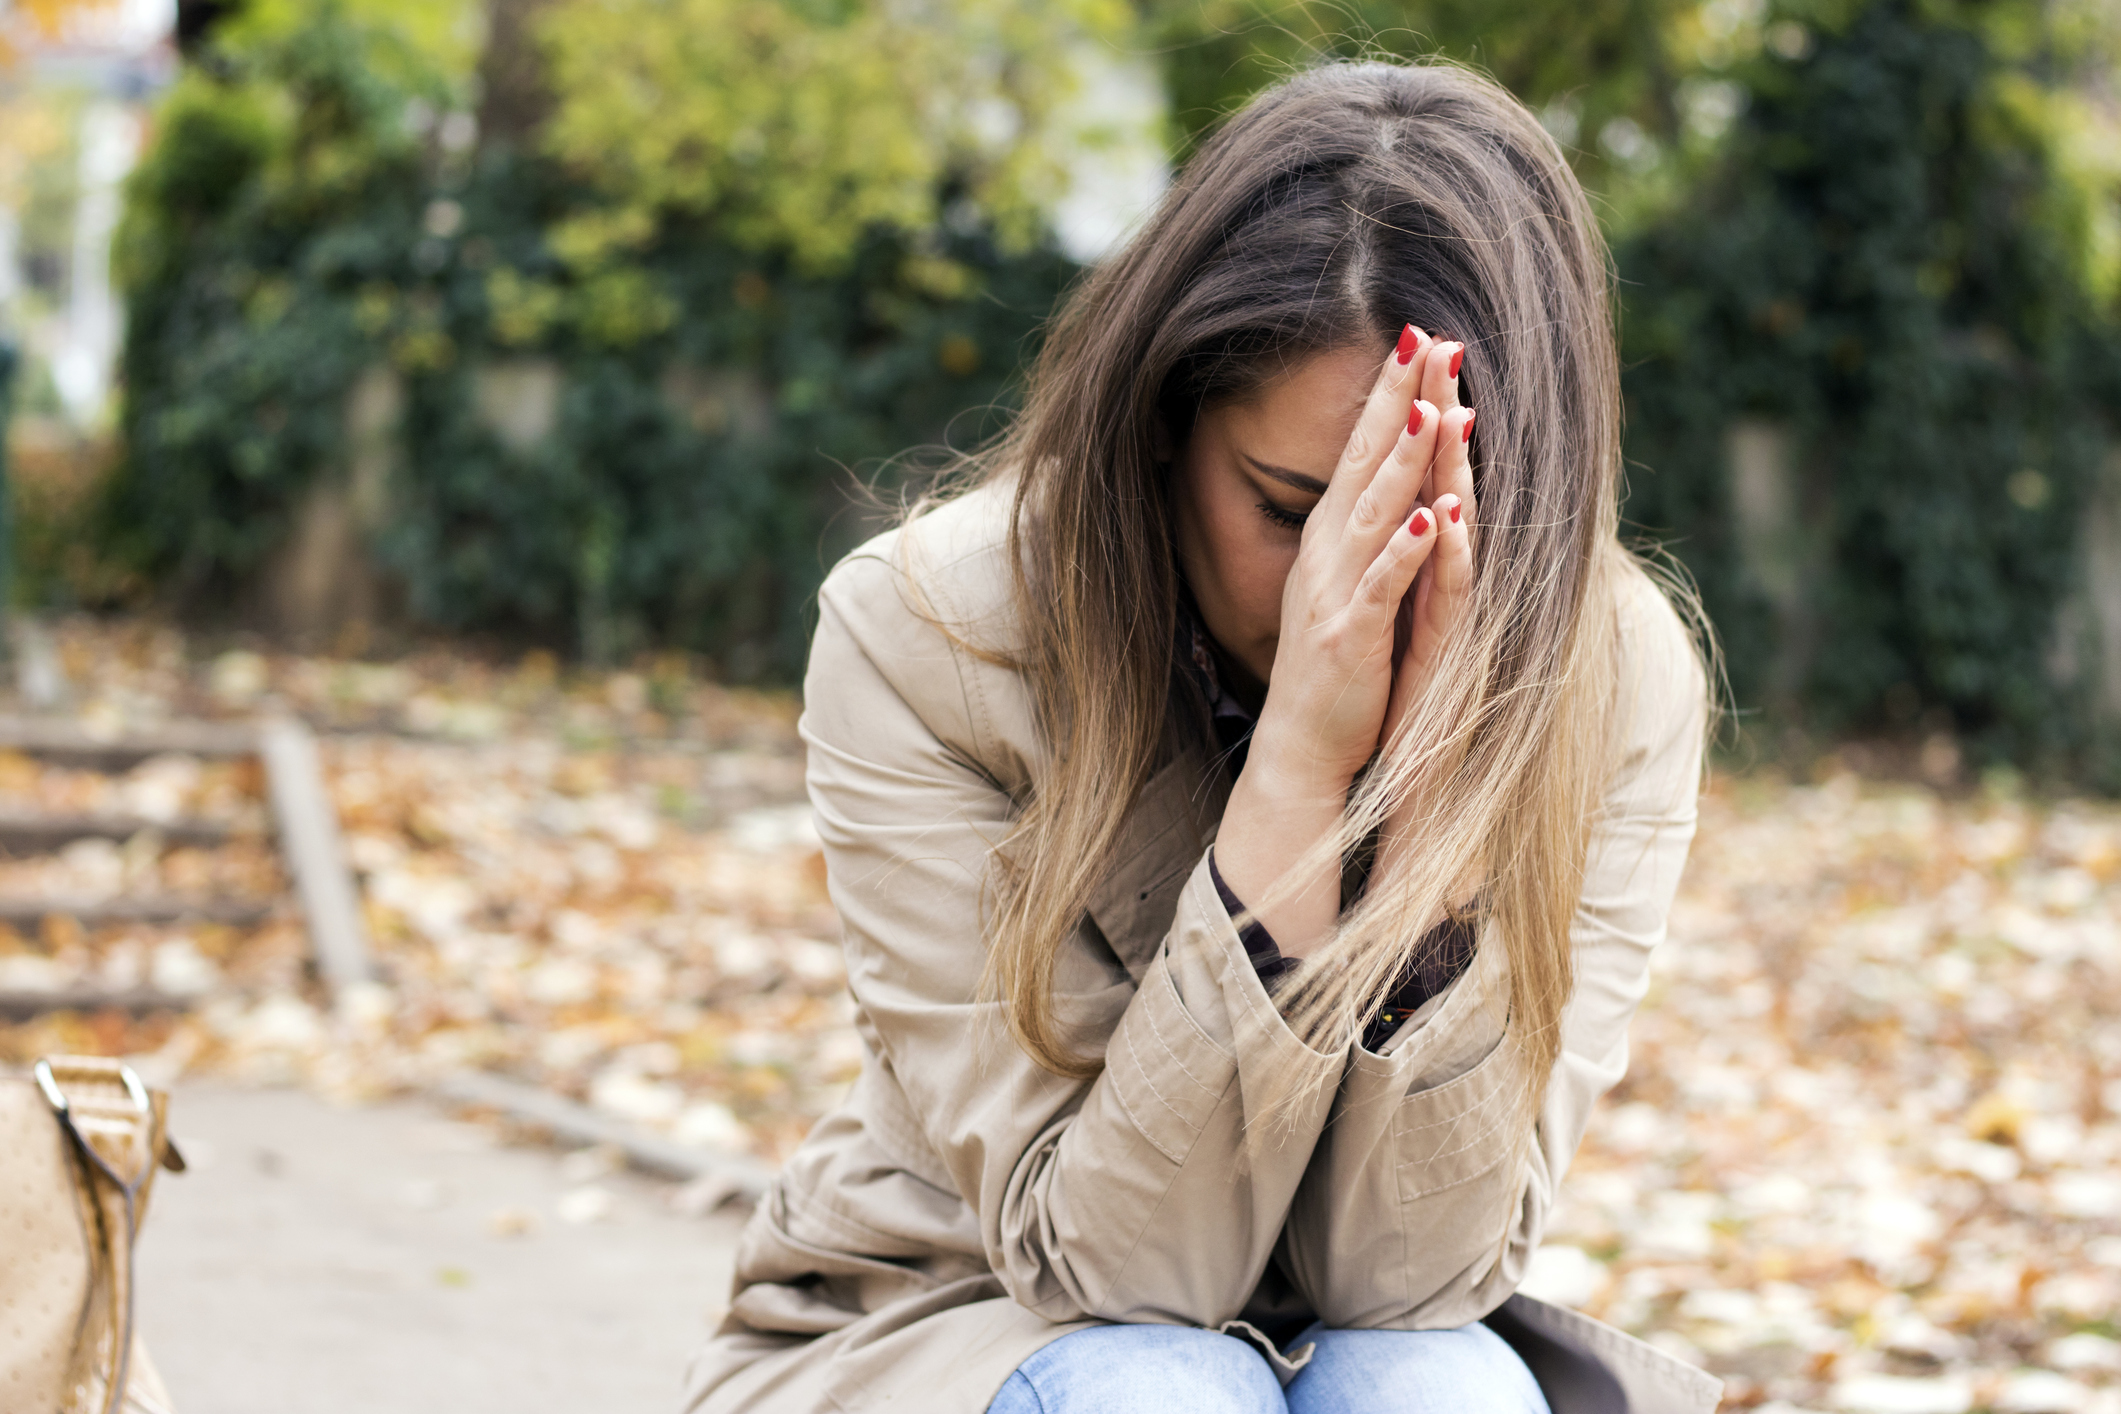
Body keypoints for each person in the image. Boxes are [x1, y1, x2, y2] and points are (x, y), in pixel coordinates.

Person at [683, 57, 1715, 1414]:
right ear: (1164, 427)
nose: (1343, 593)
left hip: (1365, 1335)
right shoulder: (926, 628)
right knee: (1156, 1392)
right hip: (958, 1311)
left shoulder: (1611, 668)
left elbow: (1418, 1282)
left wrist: (1437, 798)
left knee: (1438, 1391)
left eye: (1435, 531)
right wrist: (1296, 773)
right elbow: (1108, 1263)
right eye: (1291, 510)